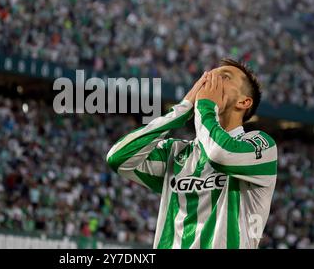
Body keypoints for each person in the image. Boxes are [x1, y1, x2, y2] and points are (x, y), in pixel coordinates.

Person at [106, 58, 277, 249]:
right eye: (210, 75)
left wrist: (205, 106)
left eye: (224, 77)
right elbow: (119, 158)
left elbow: (219, 153)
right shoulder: (176, 153)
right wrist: (182, 109)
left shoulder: (260, 146)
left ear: (244, 102)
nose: (211, 79)